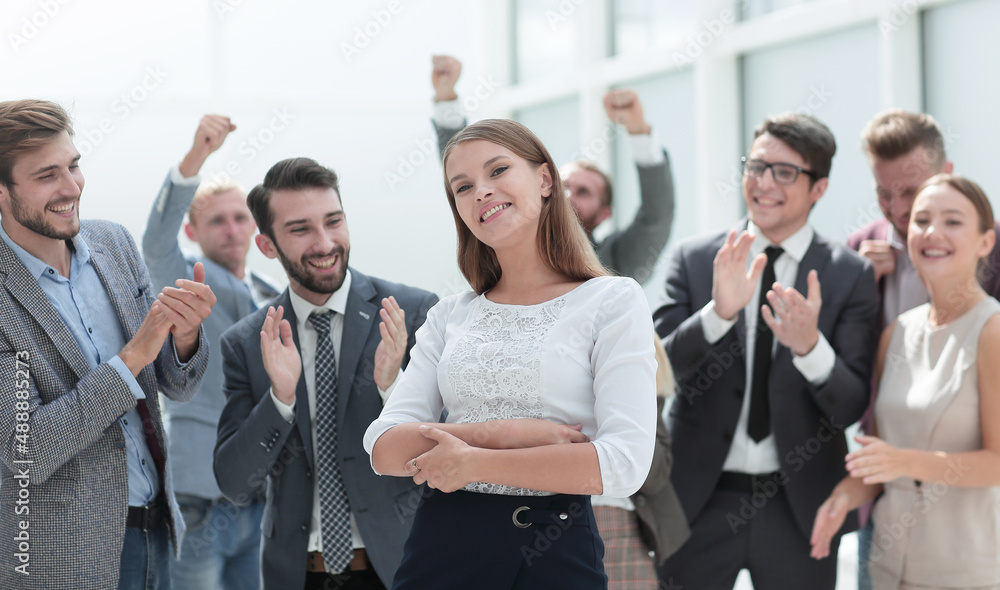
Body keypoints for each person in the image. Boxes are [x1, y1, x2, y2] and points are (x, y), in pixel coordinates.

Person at [364, 118, 657, 589]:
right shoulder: (448, 316)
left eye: (497, 170)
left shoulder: (612, 301)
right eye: (462, 187)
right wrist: (504, 434)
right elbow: (384, 447)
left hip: (555, 551)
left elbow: (623, 464)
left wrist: (474, 463)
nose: (480, 191)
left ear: (544, 180)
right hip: (440, 550)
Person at [653, 112, 879, 589]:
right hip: (696, 500)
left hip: (799, 507)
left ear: (818, 188)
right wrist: (719, 314)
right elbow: (661, 372)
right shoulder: (695, 259)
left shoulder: (848, 274)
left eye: (784, 172)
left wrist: (811, 348)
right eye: (756, 167)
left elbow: (851, 407)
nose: (764, 183)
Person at [0, 99, 215, 590]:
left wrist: (182, 336)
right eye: (47, 175)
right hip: (60, 561)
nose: (71, 187)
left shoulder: (114, 245)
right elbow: (27, 448)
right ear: (3, 191)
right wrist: (133, 356)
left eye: (74, 166)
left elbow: (172, 386)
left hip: (156, 530)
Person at [213, 157, 438, 590]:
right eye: (300, 229)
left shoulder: (411, 312)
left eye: (333, 221)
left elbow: (448, 451)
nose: (325, 242)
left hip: (403, 569)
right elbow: (234, 483)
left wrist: (393, 386)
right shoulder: (247, 342)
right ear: (267, 246)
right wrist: (279, 400)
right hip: (298, 576)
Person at [811, 174, 1000, 589]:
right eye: (921, 221)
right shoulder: (894, 334)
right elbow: (880, 461)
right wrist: (842, 498)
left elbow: (997, 462)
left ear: (986, 242)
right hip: (884, 569)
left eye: (952, 221)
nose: (932, 233)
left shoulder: (992, 330)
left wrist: (905, 461)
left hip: (963, 571)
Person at [143, 114, 281, 590]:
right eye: (216, 220)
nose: (231, 229)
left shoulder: (272, 293)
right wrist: (197, 155)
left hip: (262, 498)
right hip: (199, 496)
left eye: (240, 217)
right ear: (192, 232)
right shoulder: (190, 282)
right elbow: (155, 241)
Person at [431, 55, 675, 284]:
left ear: (603, 215)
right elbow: (467, 167)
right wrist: (446, 97)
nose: (568, 195)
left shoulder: (617, 264)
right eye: (565, 184)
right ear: (545, 182)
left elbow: (656, 217)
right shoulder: (502, 233)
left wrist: (637, 130)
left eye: (584, 192)